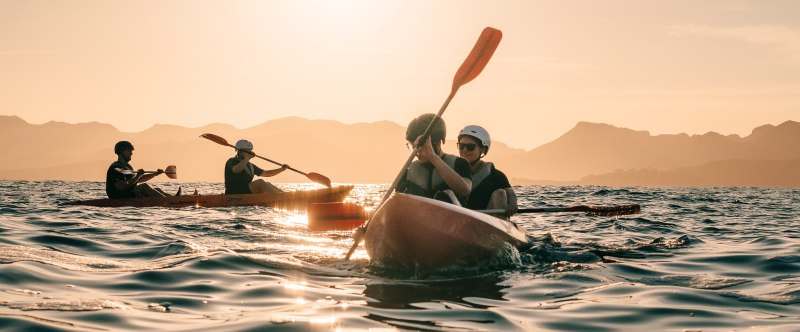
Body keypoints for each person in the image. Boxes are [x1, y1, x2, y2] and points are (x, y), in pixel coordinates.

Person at [396, 114, 472, 205]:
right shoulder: (407, 172)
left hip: (452, 216)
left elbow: (465, 190)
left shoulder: (460, 163)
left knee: (448, 194)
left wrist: (433, 157)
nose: (417, 152)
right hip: (418, 216)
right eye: (413, 147)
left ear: (437, 144)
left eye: (421, 147)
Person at [457, 125, 518, 216]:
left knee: (500, 193)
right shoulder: (450, 170)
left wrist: (512, 205)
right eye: (461, 146)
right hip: (457, 220)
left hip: (486, 221)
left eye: (470, 147)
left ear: (483, 150)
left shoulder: (496, 175)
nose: (464, 150)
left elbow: (510, 193)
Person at [106, 141, 176, 199]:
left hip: (127, 194)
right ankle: (168, 202)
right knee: (144, 187)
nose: (131, 153)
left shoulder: (127, 167)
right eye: (129, 150)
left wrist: (155, 174)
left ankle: (173, 198)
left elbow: (137, 180)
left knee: (157, 189)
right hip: (117, 197)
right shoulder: (115, 168)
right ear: (121, 151)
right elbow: (120, 186)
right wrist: (137, 176)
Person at [224, 139, 289, 195]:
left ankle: (286, 196)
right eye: (246, 151)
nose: (249, 152)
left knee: (267, 183)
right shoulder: (232, 161)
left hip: (245, 191)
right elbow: (236, 170)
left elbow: (266, 173)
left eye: (249, 150)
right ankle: (281, 197)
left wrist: (282, 169)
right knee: (260, 182)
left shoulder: (250, 165)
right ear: (240, 151)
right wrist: (247, 158)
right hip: (233, 192)